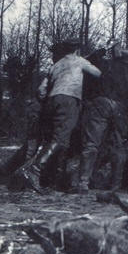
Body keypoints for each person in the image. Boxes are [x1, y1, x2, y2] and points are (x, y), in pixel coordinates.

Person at [18, 39, 101, 192]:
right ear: (77, 50)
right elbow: (97, 73)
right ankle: (34, 169)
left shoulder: (56, 65)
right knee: (60, 140)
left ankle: (54, 178)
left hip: (51, 100)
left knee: (58, 139)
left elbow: (41, 90)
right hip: (69, 99)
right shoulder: (80, 61)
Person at [73, 48, 128, 192]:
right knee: (119, 145)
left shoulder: (105, 65)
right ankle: (115, 184)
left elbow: (90, 61)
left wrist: (101, 51)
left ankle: (83, 182)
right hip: (120, 108)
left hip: (100, 104)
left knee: (92, 143)